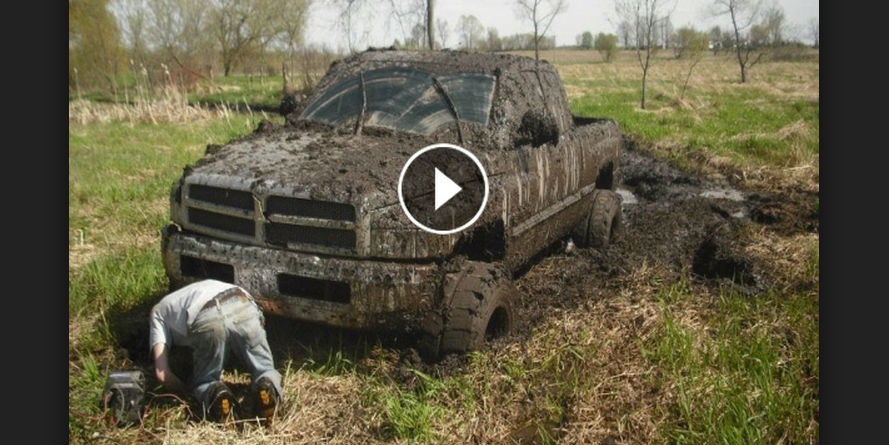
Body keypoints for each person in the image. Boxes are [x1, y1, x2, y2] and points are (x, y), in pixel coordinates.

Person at [149, 278, 283, 424]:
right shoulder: (199, 288)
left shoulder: (157, 312)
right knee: (264, 369)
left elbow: (162, 374)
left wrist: (187, 392)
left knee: (205, 381)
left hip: (208, 317)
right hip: (242, 303)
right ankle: (267, 384)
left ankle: (216, 394)